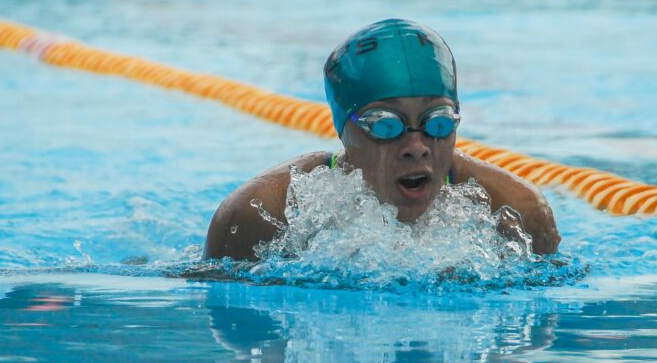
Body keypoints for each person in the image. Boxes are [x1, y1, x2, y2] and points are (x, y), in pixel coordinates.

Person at [205, 19, 560, 260]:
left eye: (437, 122)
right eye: (386, 125)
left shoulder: (515, 210)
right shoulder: (262, 213)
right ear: (344, 130)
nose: (417, 146)